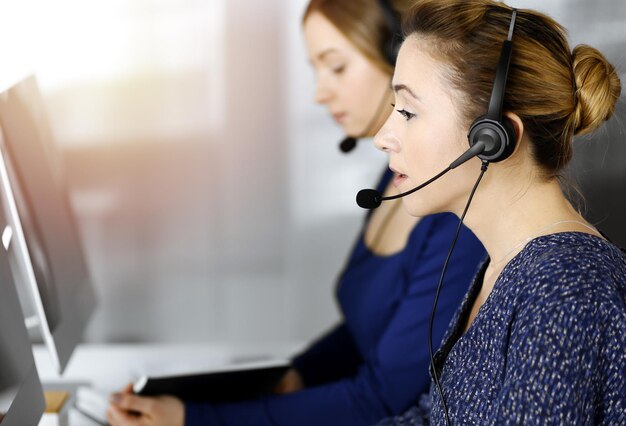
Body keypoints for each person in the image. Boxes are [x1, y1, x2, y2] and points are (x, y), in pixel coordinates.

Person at [106, 1, 485, 425]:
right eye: (315, 69)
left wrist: (193, 419)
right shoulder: (395, 179)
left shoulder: (453, 214)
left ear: (398, 58)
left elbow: (381, 398)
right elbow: (369, 335)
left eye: (336, 67)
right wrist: (294, 376)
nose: (319, 92)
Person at [368, 0, 626, 424]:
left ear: (494, 137)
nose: (383, 138)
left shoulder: (564, 291)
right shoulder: (507, 265)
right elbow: (435, 417)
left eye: (408, 112)